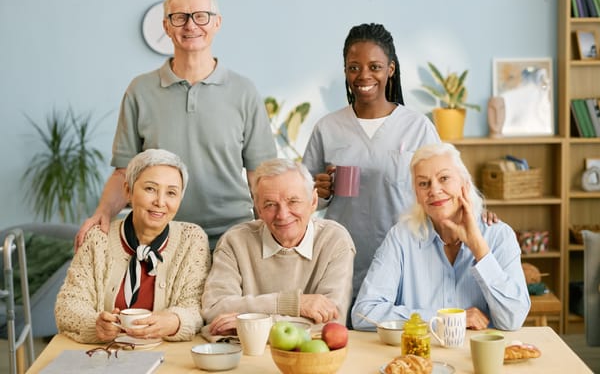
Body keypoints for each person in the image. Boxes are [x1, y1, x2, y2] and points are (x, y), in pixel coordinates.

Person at [75, 0, 276, 250]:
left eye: (201, 16)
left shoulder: (244, 91)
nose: (191, 26)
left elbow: (260, 176)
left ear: (217, 23)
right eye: (179, 17)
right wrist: (103, 212)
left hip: (232, 240)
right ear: (166, 26)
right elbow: (123, 171)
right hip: (158, 240)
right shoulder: (140, 90)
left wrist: (272, 235)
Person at [302, 23, 440, 302]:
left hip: (406, 259)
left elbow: (445, 187)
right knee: (345, 339)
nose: (363, 75)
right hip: (342, 260)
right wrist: (322, 192)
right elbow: (304, 198)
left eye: (375, 66)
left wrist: (480, 215)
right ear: (345, 71)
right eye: (354, 67)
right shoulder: (327, 128)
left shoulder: (417, 127)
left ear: (390, 69)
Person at [351, 143, 530, 331]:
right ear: (417, 195)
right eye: (423, 183)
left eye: (444, 178)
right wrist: (442, 319)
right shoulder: (401, 238)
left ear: (464, 184)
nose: (434, 190)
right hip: (417, 355)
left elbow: (513, 319)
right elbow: (364, 314)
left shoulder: (499, 236)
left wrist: (479, 248)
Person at [55, 149, 211, 343]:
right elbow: (68, 304)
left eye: (171, 193)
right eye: (150, 189)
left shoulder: (192, 240)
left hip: (166, 356)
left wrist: (176, 320)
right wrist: (94, 324)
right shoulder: (98, 238)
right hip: (105, 355)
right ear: (128, 191)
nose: (160, 202)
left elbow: (196, 305)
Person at [202, 158, 356, 335]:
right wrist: (292, 304)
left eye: (293, 201)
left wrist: (252, 325)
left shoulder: (335, 240)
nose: (282, 215)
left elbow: (332, 323)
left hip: (308, 358)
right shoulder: (235, 241)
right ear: (258, 209)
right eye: (270, 205)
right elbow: (214, 310)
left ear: (313, 201)